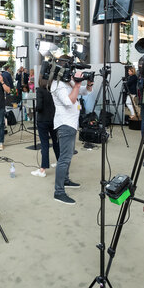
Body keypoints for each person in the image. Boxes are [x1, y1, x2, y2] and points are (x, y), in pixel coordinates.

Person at [51, 61, 93, 205]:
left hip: (71, 124)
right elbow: (69, 101)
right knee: (64, 158)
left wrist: (88, 83)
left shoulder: (67, 83)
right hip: (65, 125)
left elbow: (85, 92)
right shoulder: (57, 85)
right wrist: (76, 84)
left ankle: (66, 180)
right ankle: (59, 192)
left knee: (67, 157)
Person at [31, 79, 59, 178]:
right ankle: (60, 163)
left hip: (43, 120)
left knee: (44, 144)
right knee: (56, 142)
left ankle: (43, 169)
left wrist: (35, 110)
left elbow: (39, 106)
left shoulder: (40, 90)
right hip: (53, 119)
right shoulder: (54, 90)